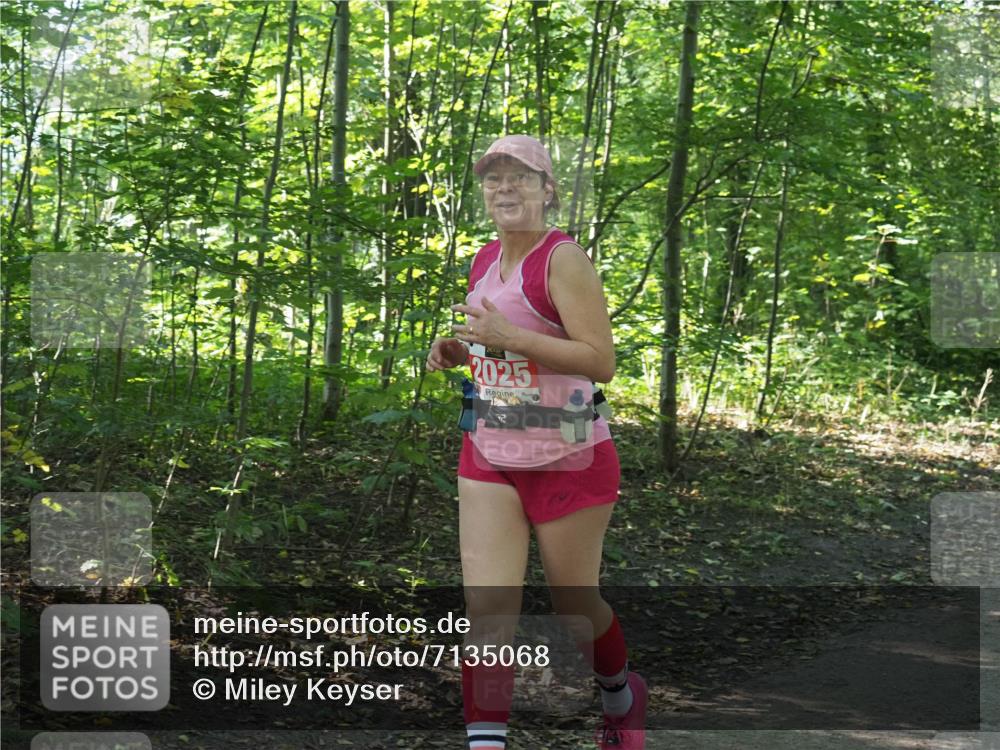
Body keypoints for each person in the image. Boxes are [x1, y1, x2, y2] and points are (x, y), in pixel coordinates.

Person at [426, 134, 647, 750]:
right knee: (488, 611)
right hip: (490, 448)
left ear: (547, 190)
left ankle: (621, 697)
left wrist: (511, 338)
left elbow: (599, 362)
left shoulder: (563, 259)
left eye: (520, 177)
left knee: (576, 607)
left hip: (569, 451)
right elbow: (498, 343)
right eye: (493, 178)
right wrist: (461, 349)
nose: (505, 188)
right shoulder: (482, 259)